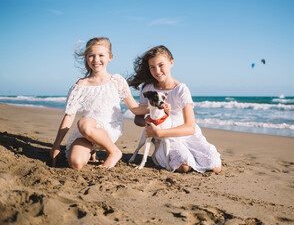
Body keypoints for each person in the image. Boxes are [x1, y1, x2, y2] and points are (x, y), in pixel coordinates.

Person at [50, 37, 148, 169]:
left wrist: (158, 107)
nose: (96, 60)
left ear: (110, 57)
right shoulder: (81, 85)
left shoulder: (117, 80)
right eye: (91, 56)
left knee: (84, 123)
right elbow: (69, 115)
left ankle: (114, 152)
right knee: (75, 162)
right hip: (86, 132)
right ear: (86, 58)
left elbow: (135, 108)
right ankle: (91, 150)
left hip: (109, 128)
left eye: (101, 55)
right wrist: (56, 146)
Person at [127, 45, 221, 173]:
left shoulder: (181, 89)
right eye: (152, 67)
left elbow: (190, 127)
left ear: (171, 63)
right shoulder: (148, 89)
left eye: (161, 65)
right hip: (165, 139)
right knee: (183, 166)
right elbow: (137, 119)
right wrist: (153, 125)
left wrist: (159, 132)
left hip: (185, 134)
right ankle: (157, 155)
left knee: (214, 166)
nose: (157, 71)